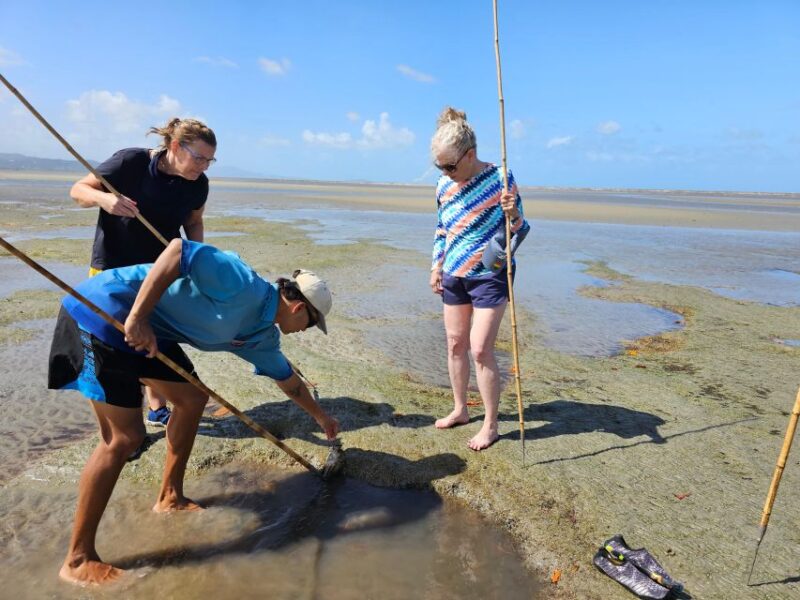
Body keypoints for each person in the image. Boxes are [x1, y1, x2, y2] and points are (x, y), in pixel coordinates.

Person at [48, 238, 339, 585]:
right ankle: (78, 560)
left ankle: (170, 496)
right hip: (102, 310)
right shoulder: (242, 282)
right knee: (123, 439)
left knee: (191, 399)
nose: (305, 332)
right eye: (310, 324)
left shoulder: (263, 338)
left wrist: (321, 417)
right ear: (298, 309)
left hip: (151, 332)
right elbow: (176, 251)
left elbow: (288, 381)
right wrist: (139, 317)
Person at [70, 117, 217, 428]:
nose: (204, 166)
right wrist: (105, 199)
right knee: (111, 347)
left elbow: (193, 222)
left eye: (210, 160)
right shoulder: (130, 162)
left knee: (149, 333)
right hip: (111, 269)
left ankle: (156, 408)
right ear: (175, 146)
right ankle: (119, 426)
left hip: (155, 271)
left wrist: (196, 257)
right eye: (199, 157)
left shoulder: (198, 184)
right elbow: (78, 190)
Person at [428, 107, 528, 451]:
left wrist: (513, 213)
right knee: (455, 344)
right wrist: (436, 266)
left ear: (470, 155)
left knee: (480, 348)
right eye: (440, 166)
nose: (445, 172)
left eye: (451, 166)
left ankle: (491, 424)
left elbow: (520, 230)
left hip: (489, 275)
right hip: (454, 274)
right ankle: (460, 409)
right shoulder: (444, 184)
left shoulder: (501, 178)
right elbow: (442, 230)